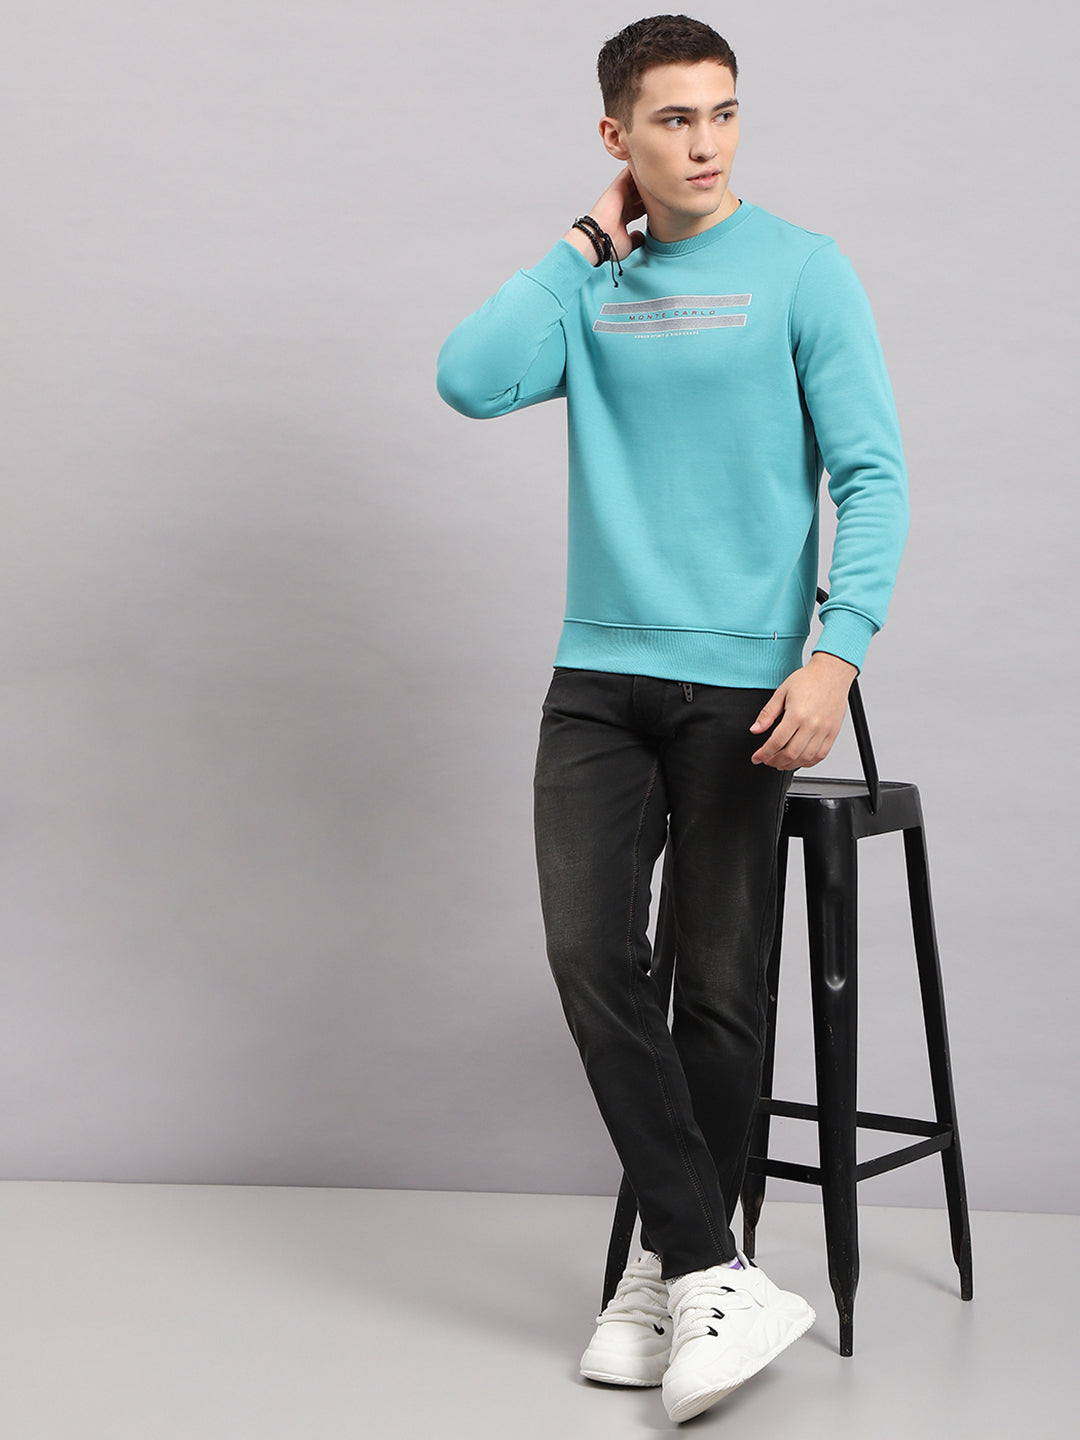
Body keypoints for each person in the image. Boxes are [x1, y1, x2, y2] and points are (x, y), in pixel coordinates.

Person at [436, 12, 908, 1425]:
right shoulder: (594, 285)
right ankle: (711, 1263)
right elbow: (469, 378)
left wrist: (836, 657)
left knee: (715, 983)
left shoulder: (803, 270)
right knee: (591, 953)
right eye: (674, 120)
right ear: (617, 135)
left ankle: (670, 1267)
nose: (705, 144)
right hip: (599, 676)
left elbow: (873, 476)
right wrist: (582, 243)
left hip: (749, 681)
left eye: (724, 113)